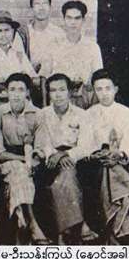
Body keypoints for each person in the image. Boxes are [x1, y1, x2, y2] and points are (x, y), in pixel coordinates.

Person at [34, 73, 98, 244]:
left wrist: (66, 154)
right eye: (53, 90)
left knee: (65, 177)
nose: (58, 95)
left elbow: (86, 145)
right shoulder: (42, 114)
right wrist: (54, 154)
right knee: (65, 175)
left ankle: (63, 233)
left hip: (74, 159)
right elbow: (41, 142)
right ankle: (80, 225)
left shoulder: (82, 115)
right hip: (49, 161)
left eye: (62, 90)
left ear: (69, 92)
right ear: (49, 93)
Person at [85, 69, 129, 244]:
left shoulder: (127, 114)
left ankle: (112, 234)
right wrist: (97, 153)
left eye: (108, 88)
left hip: (118, 161)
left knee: (110, 169)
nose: (104, 93)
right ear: (94, 91)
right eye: (99, 89)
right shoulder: (88, 114)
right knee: (107, 168)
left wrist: (119, 153)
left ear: (115, 89)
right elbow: (86, 142)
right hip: (95, 164)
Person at [0, 73, 50, 245]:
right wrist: (23, 159)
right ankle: (32, 224)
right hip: (8, 160)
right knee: (18, 170)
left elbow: (41, 147)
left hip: (33, 161)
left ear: (27, 92)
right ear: (6, 92)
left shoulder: (38, 114)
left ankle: (22, 225)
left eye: (21, 90)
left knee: (21, 173)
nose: (16, 94)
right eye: (12, 90)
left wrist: (32, 160)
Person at [48, 0, 103, 109]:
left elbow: (99, 78)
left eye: (77, 18)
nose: (73, 22)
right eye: (69, 18)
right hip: (59, 100)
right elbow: (47, 77)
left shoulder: (92, 47)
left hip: (85, 100)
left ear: (83, 20)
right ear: (64, 19)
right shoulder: (54, 46)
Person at [25, 0, 66, 75]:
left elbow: (62, 61)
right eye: (37, 4)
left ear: (50, 8)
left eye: (45, 4)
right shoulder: (25, 32)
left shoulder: (59, 33)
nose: (41, 8)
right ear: (31, 9)